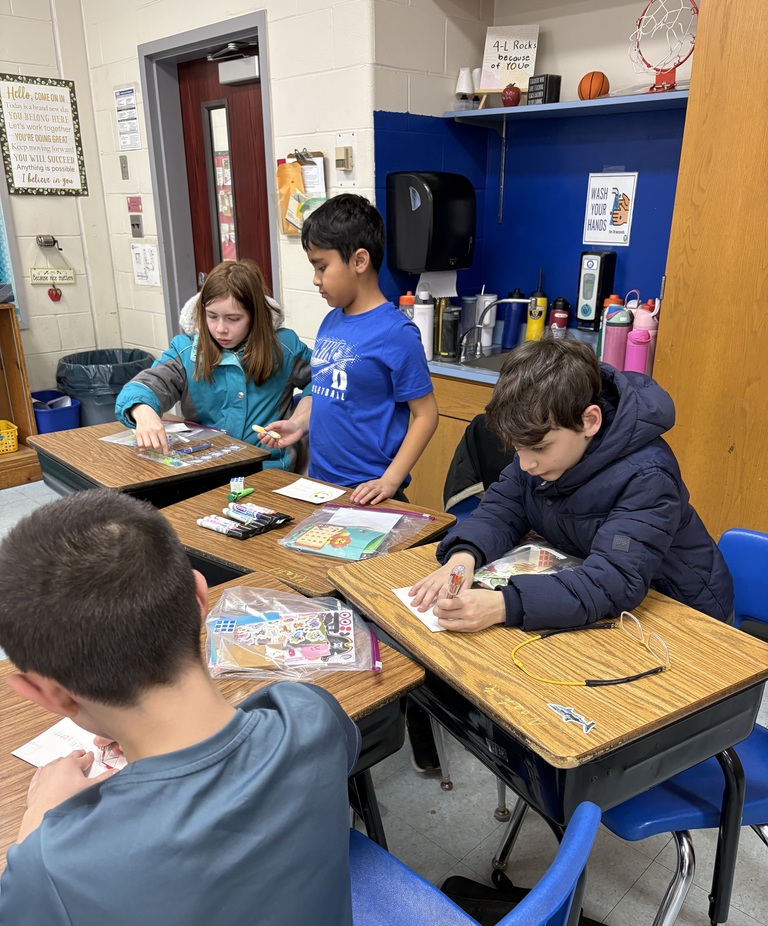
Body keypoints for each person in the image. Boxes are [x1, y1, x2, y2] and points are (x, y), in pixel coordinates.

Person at [0, 490, 361, 926]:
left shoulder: (52, 861)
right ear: (200, 596)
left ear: (43, 692)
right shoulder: (308, 715)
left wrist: (36, 824)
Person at [409, 335, 733, 632]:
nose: (525, 464)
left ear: (589, 420)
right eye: (517, 448)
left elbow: (614, 581)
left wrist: (503, 604)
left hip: (682, 615)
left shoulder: (647, 476)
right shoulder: (542, 444)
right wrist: (463, 559)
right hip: (605, 598)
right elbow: (502, 508)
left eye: (538, 448)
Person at [258, 193, 439, 504]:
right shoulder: (331, 320)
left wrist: (390, 480)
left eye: (321, 267)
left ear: (359, 261)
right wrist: (300, 424)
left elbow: (426, 415)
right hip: (320, 484)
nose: (315, 280)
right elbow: (332, 390)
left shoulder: (396, 333)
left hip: (368, 494)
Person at [115, 259, 312, 471]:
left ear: (255, 317)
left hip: (271, 470)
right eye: (212, 316)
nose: (220, 329)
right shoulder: (186, 351)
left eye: (233, 319)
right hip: (209, 470)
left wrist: (302, 414)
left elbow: (325, 381)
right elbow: (144, 385)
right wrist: (143, 412)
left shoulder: (284, 347)